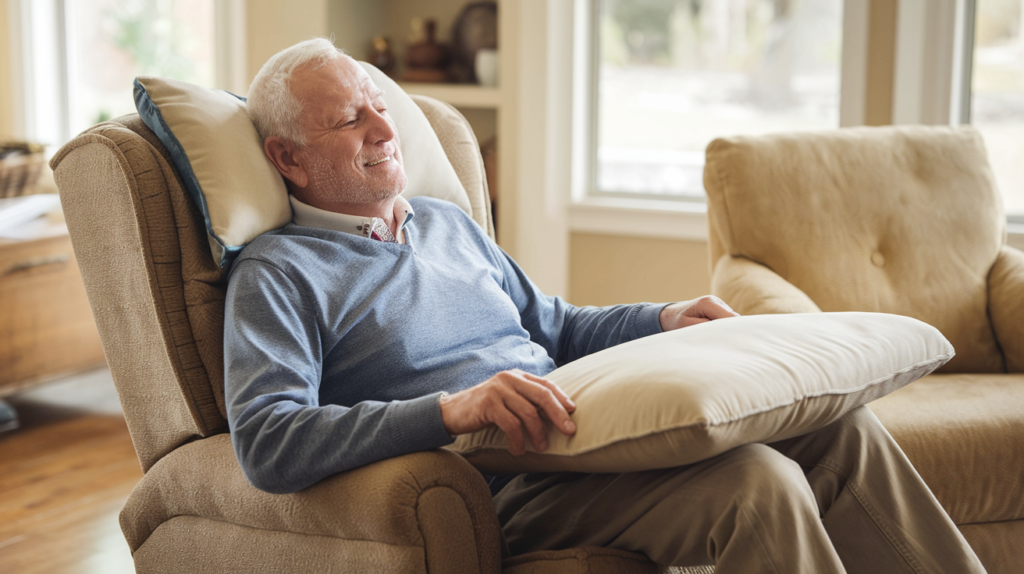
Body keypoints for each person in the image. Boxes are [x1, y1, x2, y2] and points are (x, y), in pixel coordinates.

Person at [225, 38, 987, 574]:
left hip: (589, 442)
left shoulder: (447, 225)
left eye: (376, 105)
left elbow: (553, 326)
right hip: (504, 483)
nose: (385, 129)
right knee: (759, 486)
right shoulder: (279, 273)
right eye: (348, 120)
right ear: (286, 157)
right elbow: (268, 441)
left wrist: (662, 318)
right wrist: (450, 410)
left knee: (837, 431)